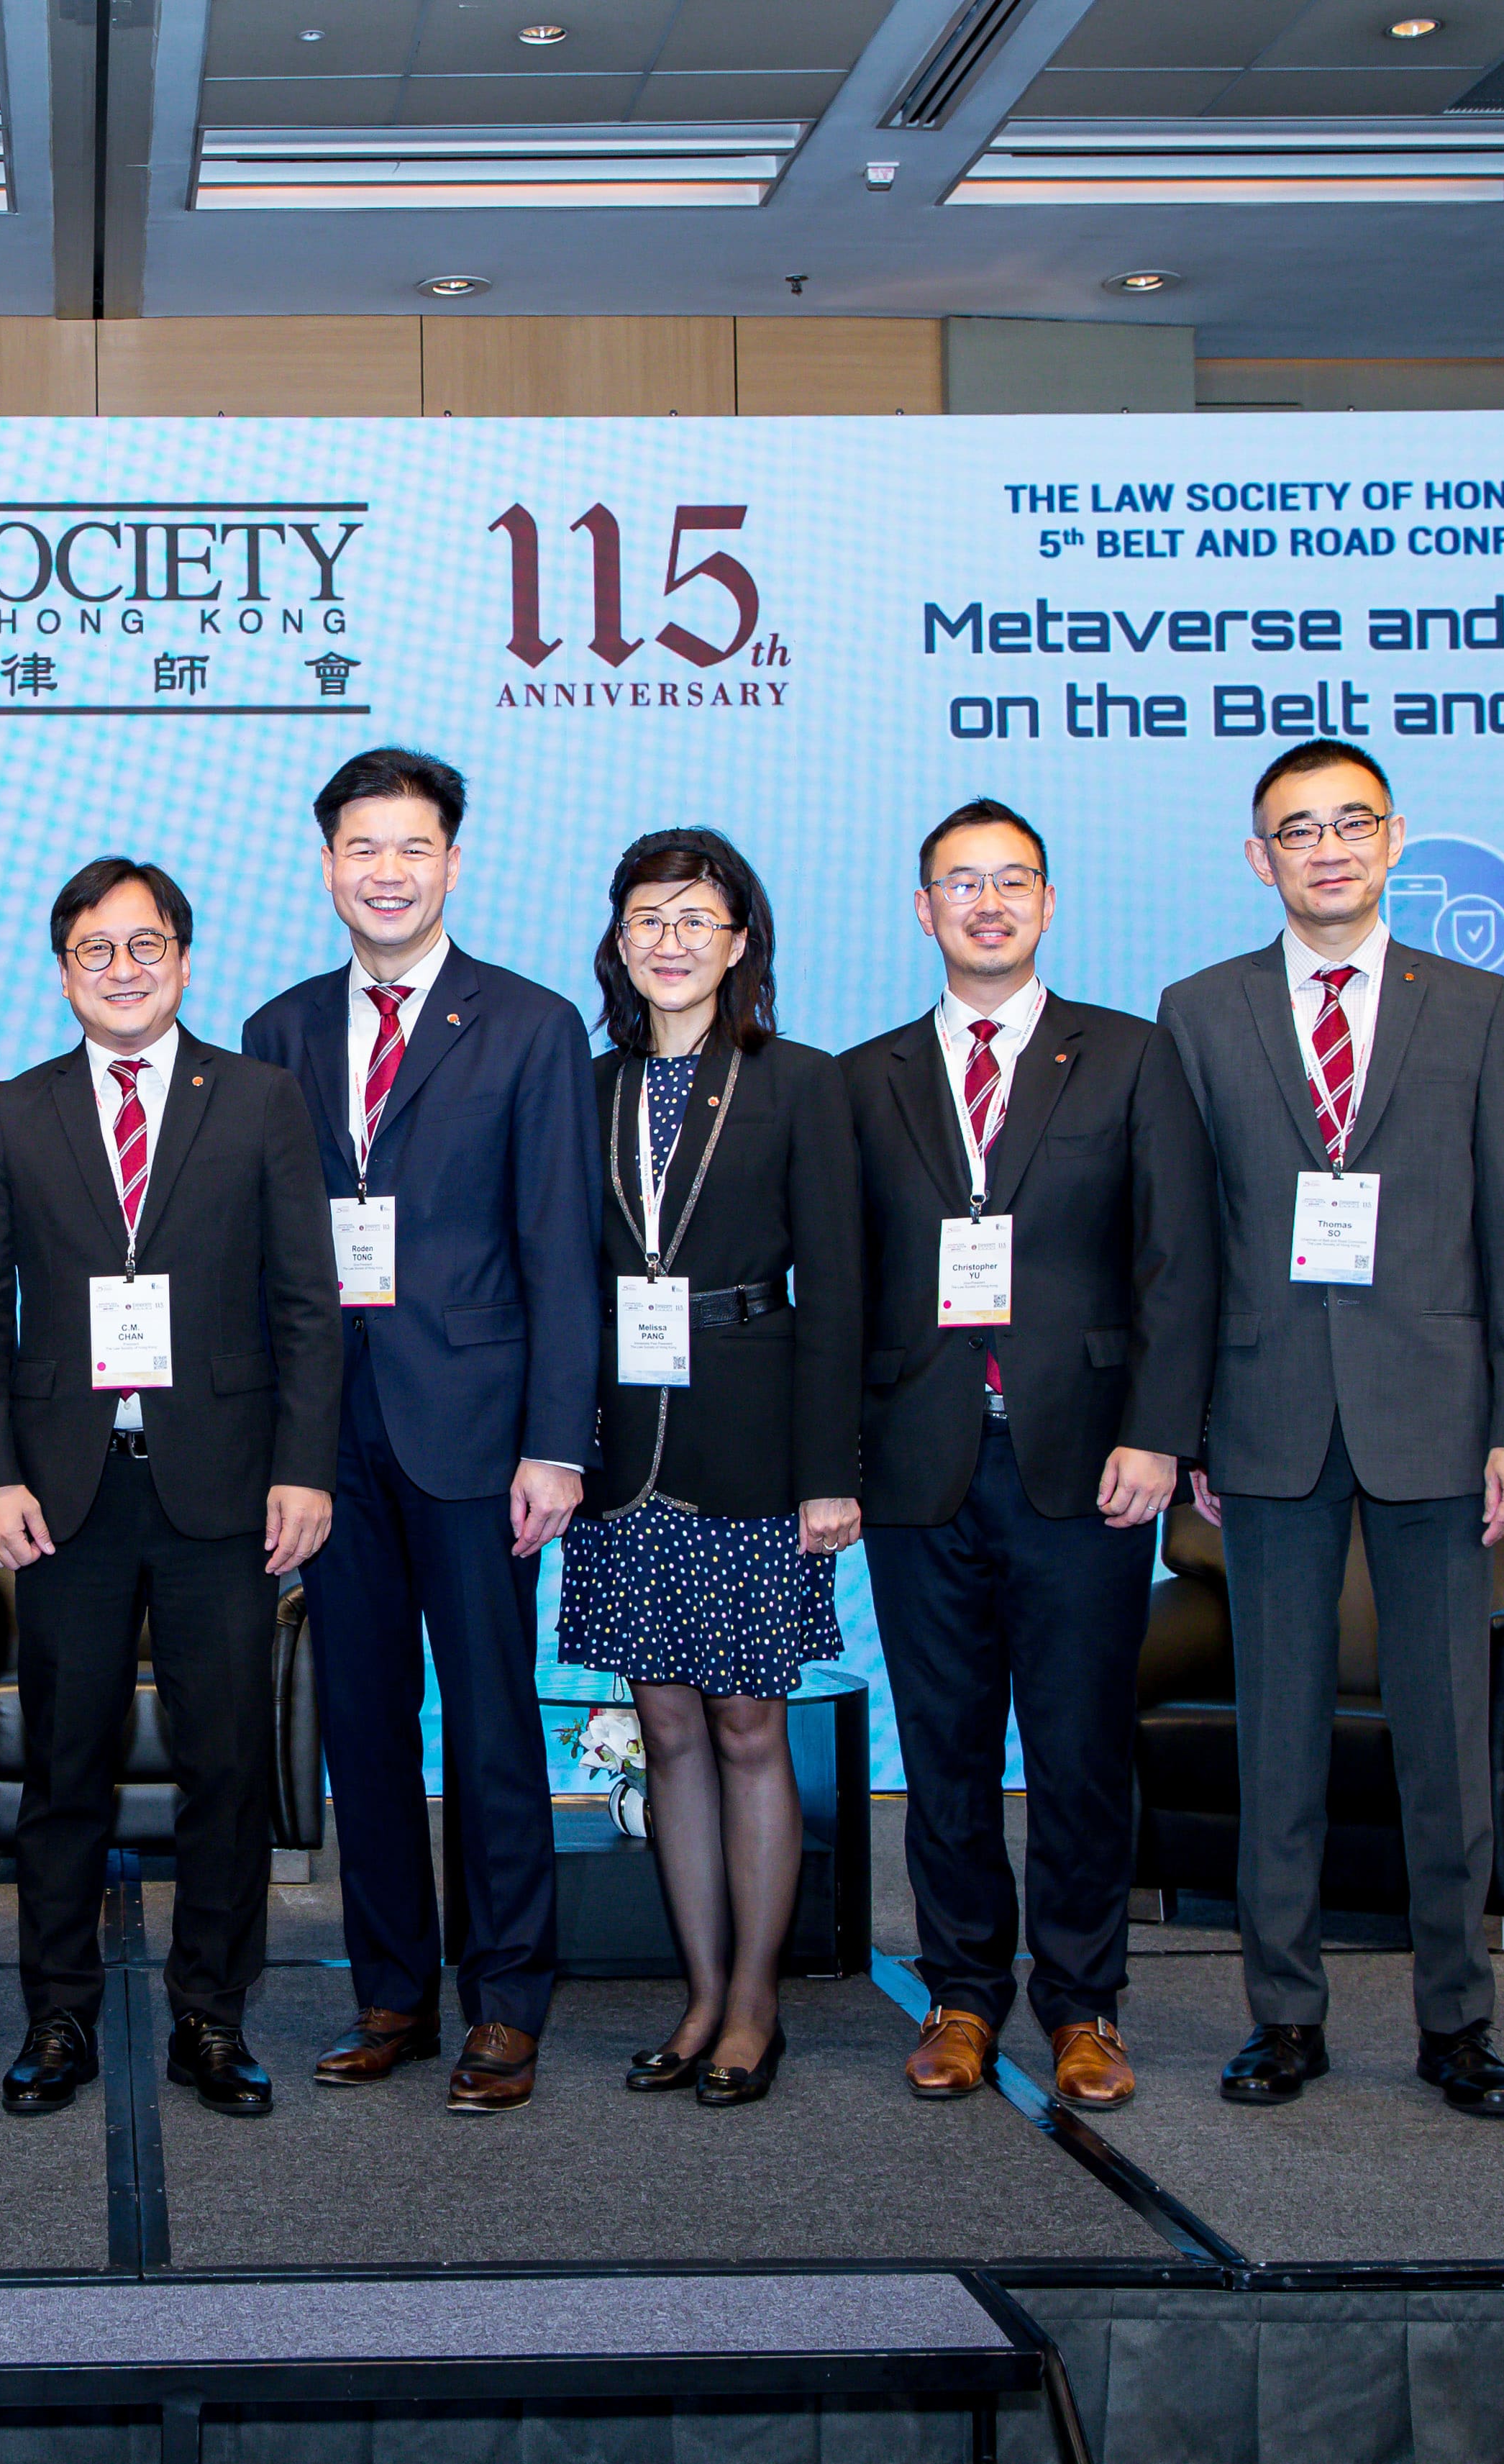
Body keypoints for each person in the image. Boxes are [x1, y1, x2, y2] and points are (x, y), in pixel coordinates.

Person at [1157, 739, 1504, 2120]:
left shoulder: (1475, 1005)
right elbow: (1183, 1242)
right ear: (1256, 857)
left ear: (1392, 841)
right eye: (1296, 829)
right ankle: (1283, 2016)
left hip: (1436, 1419)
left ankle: (1458, 2021)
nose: (1325, 849)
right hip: (1264, 1415)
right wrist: (1186, 1423)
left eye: (1350, 823)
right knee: (1276, 1741)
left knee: (1443, 1739)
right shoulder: (1198, 1010)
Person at [0, 858, 343, 2119]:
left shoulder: (260, 1099)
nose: (121, 970)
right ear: (61, 968)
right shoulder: (12, 1113)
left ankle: (211, 2016)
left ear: (182, 955)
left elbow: (306, 1300)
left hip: (223, 1489)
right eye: (94, 949)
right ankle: (57, 2014)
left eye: (144, 945)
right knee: (65, 1766)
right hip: (62, 1496)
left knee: (227, 1765)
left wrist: (304, 1467)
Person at [240, 748, 599, 2114]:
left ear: (452, 862)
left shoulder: (529, 1024)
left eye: (411, 847)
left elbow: (558, 1246)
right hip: (329, 1440)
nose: (385, 872)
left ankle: (507, 2000)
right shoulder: (277, 1030)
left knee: (494, 1723)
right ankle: (390, 1989)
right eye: (361, 848)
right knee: (361, 1721)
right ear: (325, 864)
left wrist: (555, 1443)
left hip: (478, 1435)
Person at [844, 801, 1214, 2111]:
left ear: (1048, 902)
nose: (987, 903)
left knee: (1076, 1750)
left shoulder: (1130, 1055)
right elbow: (843, 1284)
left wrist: (1159, 1431)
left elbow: (1176, 1258)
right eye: (961, 882)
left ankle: (1081, 2003)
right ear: (922, 908)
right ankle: (959, 1993)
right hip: (917, 1464)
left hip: (1087, 1460)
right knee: (941, 1749)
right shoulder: (866, 1076)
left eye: (1011, 881)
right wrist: (836, 1456)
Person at [558, 829, 857, 2109]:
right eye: (647, 918)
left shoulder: (799, 1083)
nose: (669, 941)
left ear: (739, 941)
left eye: (696, 919)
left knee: (746, 1725)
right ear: (618, 942)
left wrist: (829, 1469)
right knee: (664, 1727)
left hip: (753, 1440)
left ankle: (753, 2005)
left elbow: (838, 1289)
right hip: (623, 1447)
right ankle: (695, 1994)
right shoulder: (583, 1086)